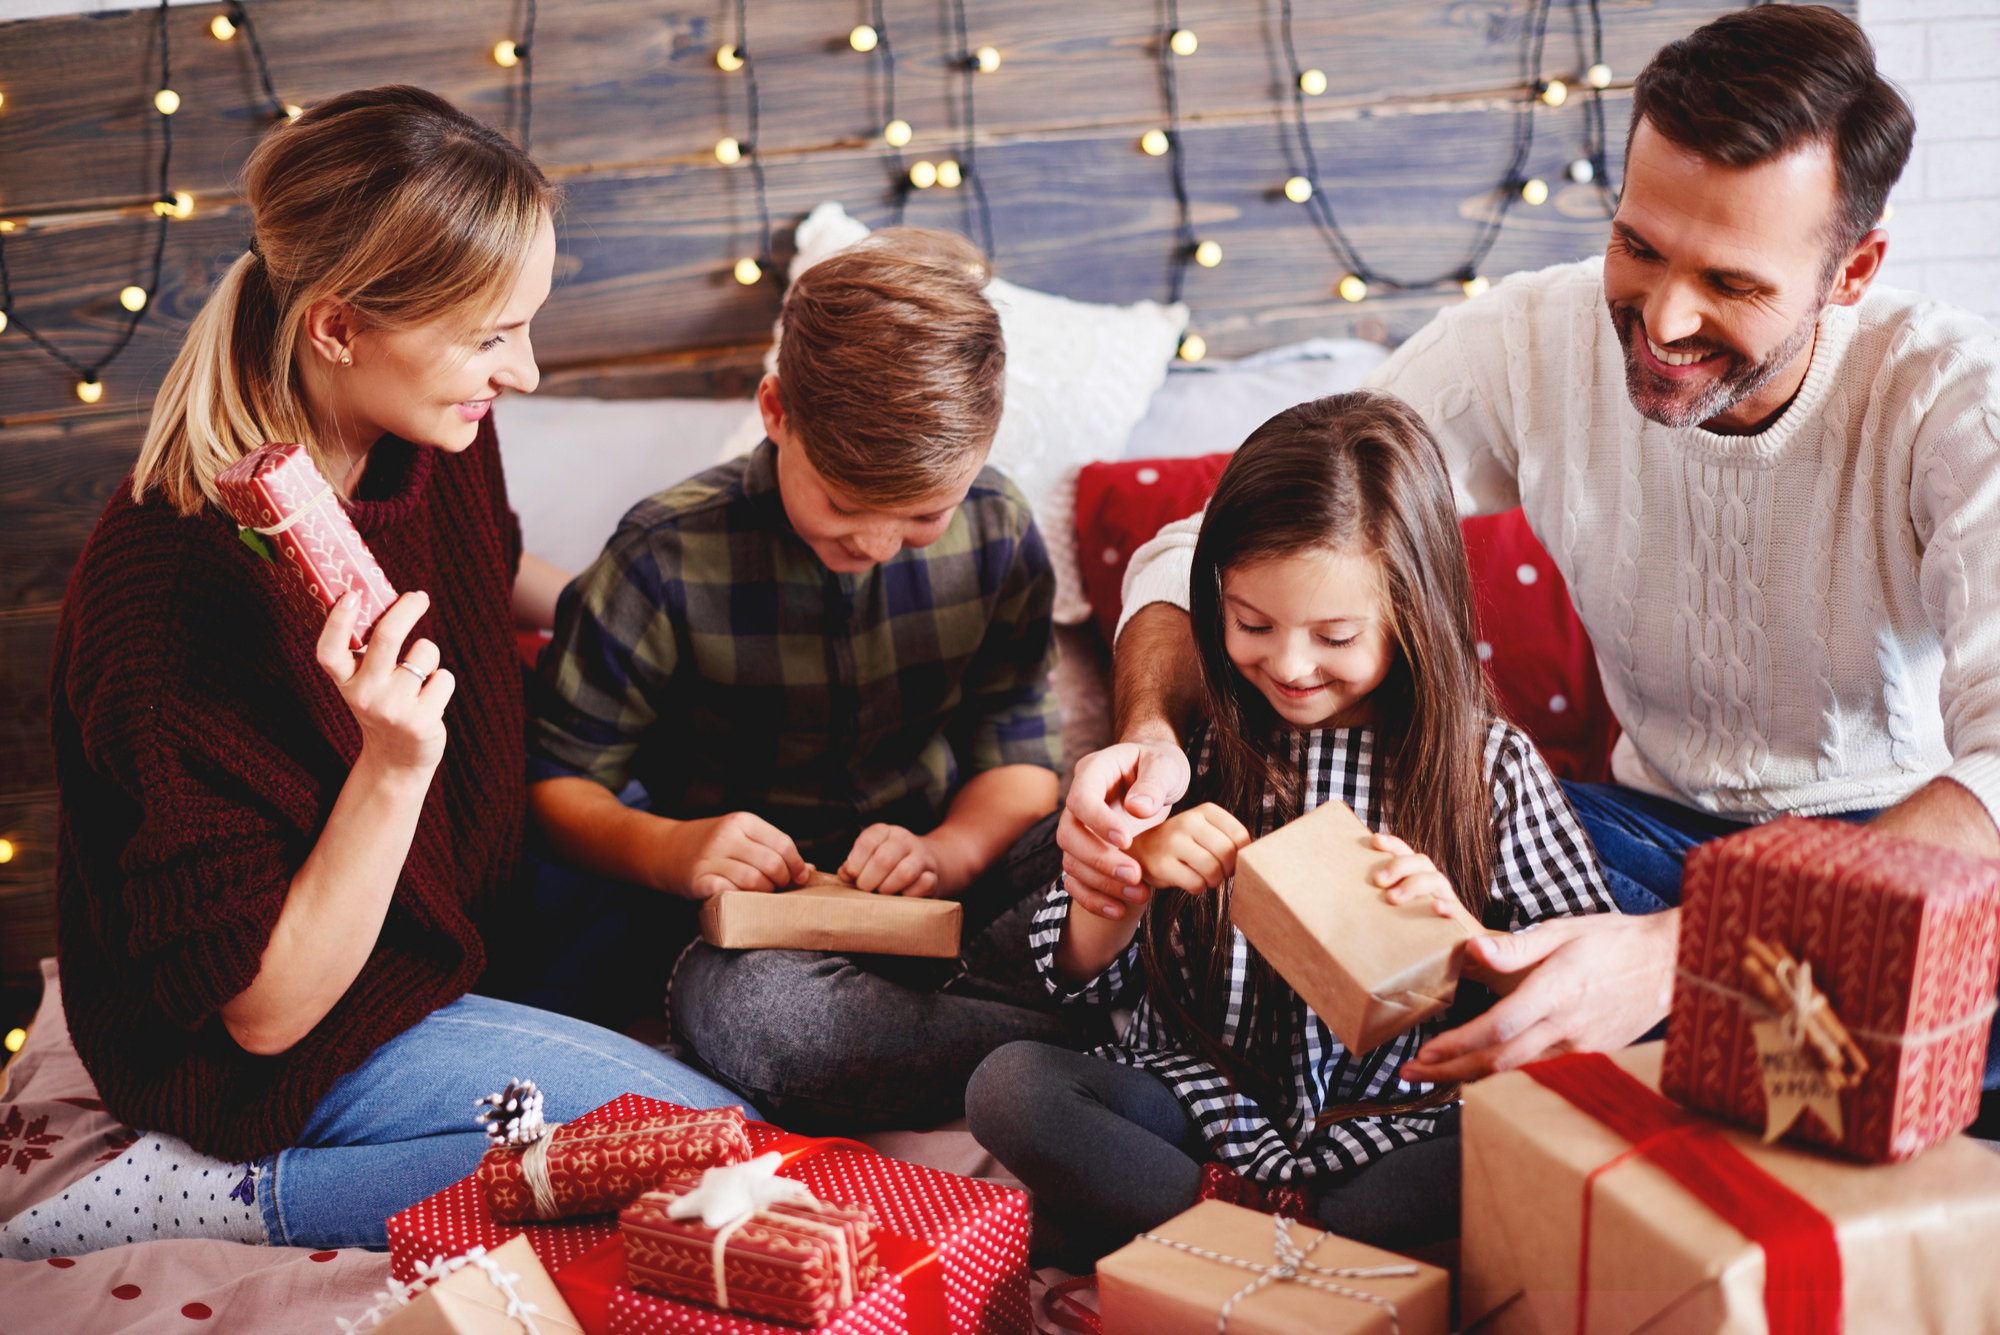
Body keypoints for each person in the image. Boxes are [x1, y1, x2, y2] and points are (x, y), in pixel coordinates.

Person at [1058, 4, 2000, 1088]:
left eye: (1731, 285)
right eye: (1637, 248)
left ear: (1850, 271)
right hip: (1636, 838)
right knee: (1380, 912)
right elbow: (1196, 545)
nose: (1661, 323)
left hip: (1888, 848)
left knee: (1898, 1036)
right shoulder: (1521, 341)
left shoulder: (1952, 404)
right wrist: (1149, 734)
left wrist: (1682, 955)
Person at [2, 87, 747, 1261]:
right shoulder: (173, 598)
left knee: (745, 915)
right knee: (704, 1140)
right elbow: (264, 1011)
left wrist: (657, 626)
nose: (528, 374)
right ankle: (223, 1194)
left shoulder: (424, 427)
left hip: (464, 897)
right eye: (492, 337)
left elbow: (484, 568)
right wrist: (395, 766)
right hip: (286, 1029)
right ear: (338, 327)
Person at [966, 393, 1614, 1264]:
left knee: (1535, 1142)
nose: (1292, 664)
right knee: (1012, 1086)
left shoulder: (1486, 766)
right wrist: (1128, 879)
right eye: (1253, 625)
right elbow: (1074, 982)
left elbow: (1576, 985)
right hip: (1200, 1117)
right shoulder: (1189, 753)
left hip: (1395, 1126)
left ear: (1412, 615)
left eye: (1337, 634)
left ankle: (1239, 1255)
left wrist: (1470, 942)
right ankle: (1278, 1257)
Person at [528, 228, 1078, 1131]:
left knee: (1121, 837)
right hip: (753, 936)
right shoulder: (664, 555)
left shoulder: (998, 525)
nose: (871, 545)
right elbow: (555, 787)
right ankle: (1079, 1043)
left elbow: (1020, 750)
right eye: (844, 505)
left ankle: (1035, 1031)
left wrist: (948, 850)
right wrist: (675, 849)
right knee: (781, 1027)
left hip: (949, 887)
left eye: (921, 515)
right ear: (776, 409)